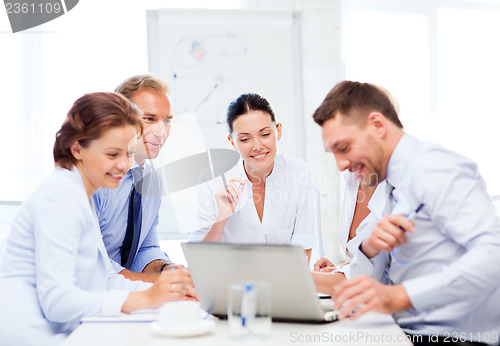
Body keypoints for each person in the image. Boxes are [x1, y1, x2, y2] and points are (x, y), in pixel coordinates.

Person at [312, 80, 500, 345]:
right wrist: (369, 249)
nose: (341, 164)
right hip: (406, 332)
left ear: (377, 125)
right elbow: (376, 285)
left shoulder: (433, 167)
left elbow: (494, 254)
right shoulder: (392, 182)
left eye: (344, 148)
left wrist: (400, 296)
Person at [0, 92, 195, 346]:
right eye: (112, 155)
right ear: (77, 148)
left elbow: (108, 283)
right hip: (35, 335)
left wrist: (170, 293)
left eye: (128, 153)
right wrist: (146, 299)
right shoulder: (60, 197)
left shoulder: (81, 196)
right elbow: (58, 302)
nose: (125, 165)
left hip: (68, 331)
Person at [189, 93, 317, 260]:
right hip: (231, 283)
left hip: (284, 281)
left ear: (278, 131)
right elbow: (199, 259)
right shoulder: (213, 180)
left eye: (265, 135)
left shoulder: (299, 174)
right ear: (233, 142)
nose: (257, 146)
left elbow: (304, 248)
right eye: (245, 139)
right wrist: (222, 218)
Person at [92, 75, 182, 283]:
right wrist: (151, 284)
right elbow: (91, 258)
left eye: (167, 121)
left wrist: (167, 269)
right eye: (149, 119)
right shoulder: (96, 177)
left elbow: (145, 247)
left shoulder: (151, 180)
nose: (161, 132)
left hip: (121, 292)